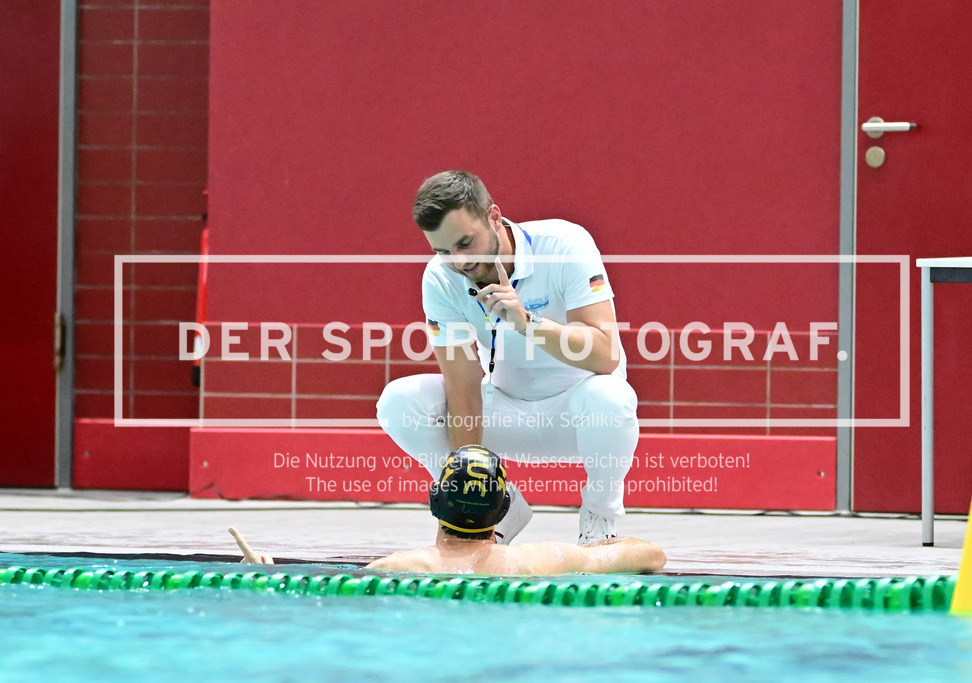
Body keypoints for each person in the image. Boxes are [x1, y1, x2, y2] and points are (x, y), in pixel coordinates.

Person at [376, 170, 639, 545]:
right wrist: (464, 509)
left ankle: (600, 520)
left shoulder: (565, 244)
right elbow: (463, 387)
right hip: (505, 413)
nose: (459, 261)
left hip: (582, 418)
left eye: (466, 243)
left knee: (611, 397)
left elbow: (606, 357)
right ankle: (498, 505)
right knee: (400, 402)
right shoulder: (440, 278)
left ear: (494, 217)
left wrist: (527, 323)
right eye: (443, 251)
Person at [231, 446, 666, 575]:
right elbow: (651, 555)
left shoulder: (397, 568)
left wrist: (267, 575)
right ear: (503, 509)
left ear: (435, 501)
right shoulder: (546, 560)